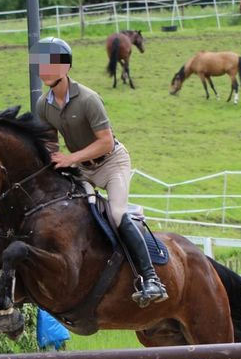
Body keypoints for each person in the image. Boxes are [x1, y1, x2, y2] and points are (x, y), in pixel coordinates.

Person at [29, 37, 168, 308]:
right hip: (81, 169)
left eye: (50, 63)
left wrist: (71, 158)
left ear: (65, 67)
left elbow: (105, 141)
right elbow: (49, 144)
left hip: (111, 163)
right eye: (40, 64)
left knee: (116, 214)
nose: (44, 69)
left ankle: (150, 279)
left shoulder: (88, 99)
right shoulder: (42, 106)